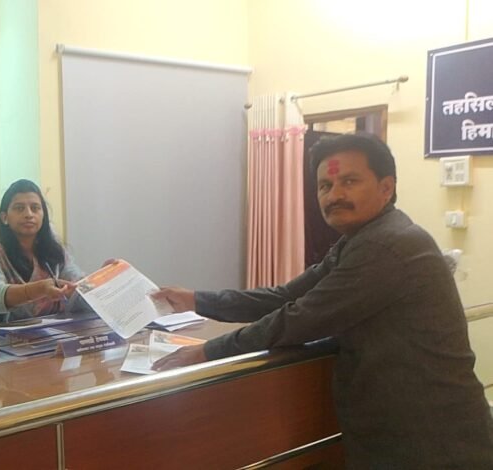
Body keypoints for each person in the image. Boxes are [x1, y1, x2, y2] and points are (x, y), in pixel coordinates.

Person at [151, 133, 493, 468]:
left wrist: (208, 352)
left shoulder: (387, 245)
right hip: (403, 433)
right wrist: (196, 300)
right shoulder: (358, 241)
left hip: (434, 441)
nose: (335, 195)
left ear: (386, 188)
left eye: (350, 181)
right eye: (325, 186)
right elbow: (285, 296)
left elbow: (300, 318)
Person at [0, 179, 85, 329]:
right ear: (4, 217)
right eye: (19, 208)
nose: (28, 214)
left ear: (43, 216)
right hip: (0, 337)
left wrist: (103, 279)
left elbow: (77, 284)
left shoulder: (56, 252)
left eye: (35, 208)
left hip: (51, 335)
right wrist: (39, 289)